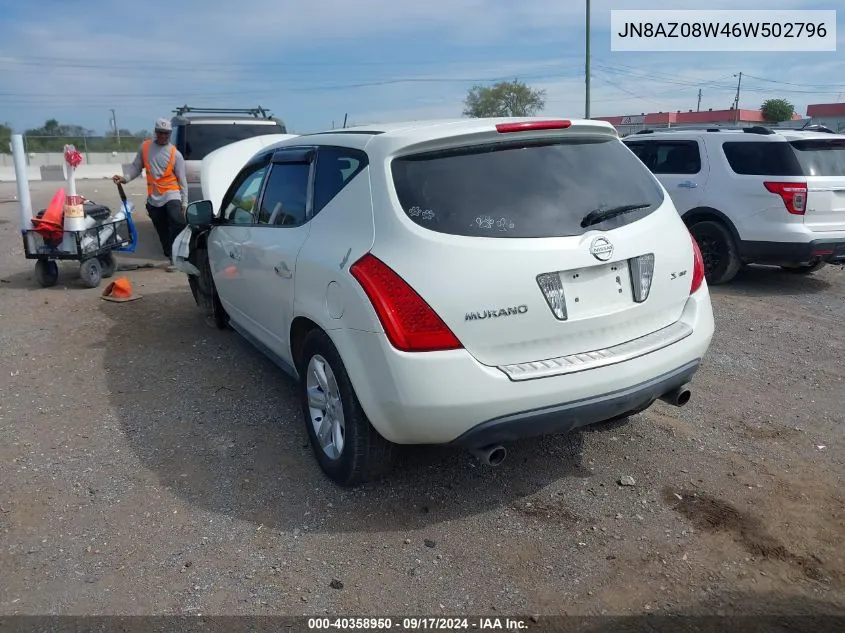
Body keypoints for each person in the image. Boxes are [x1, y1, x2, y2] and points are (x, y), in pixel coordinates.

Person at [113, 118, 188, 271]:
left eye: (166, 134)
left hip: (171, 193)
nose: (163, 136)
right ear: (155, 132)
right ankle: (170, 254)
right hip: (154, 197)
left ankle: (178, 256)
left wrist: (184, 202)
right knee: (161, 228)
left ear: (169, 134)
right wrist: (124, 179)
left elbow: (182, 180)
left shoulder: (175, 154)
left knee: (177, 220)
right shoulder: (145, 147)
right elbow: (136, 167)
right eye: (160, 133)